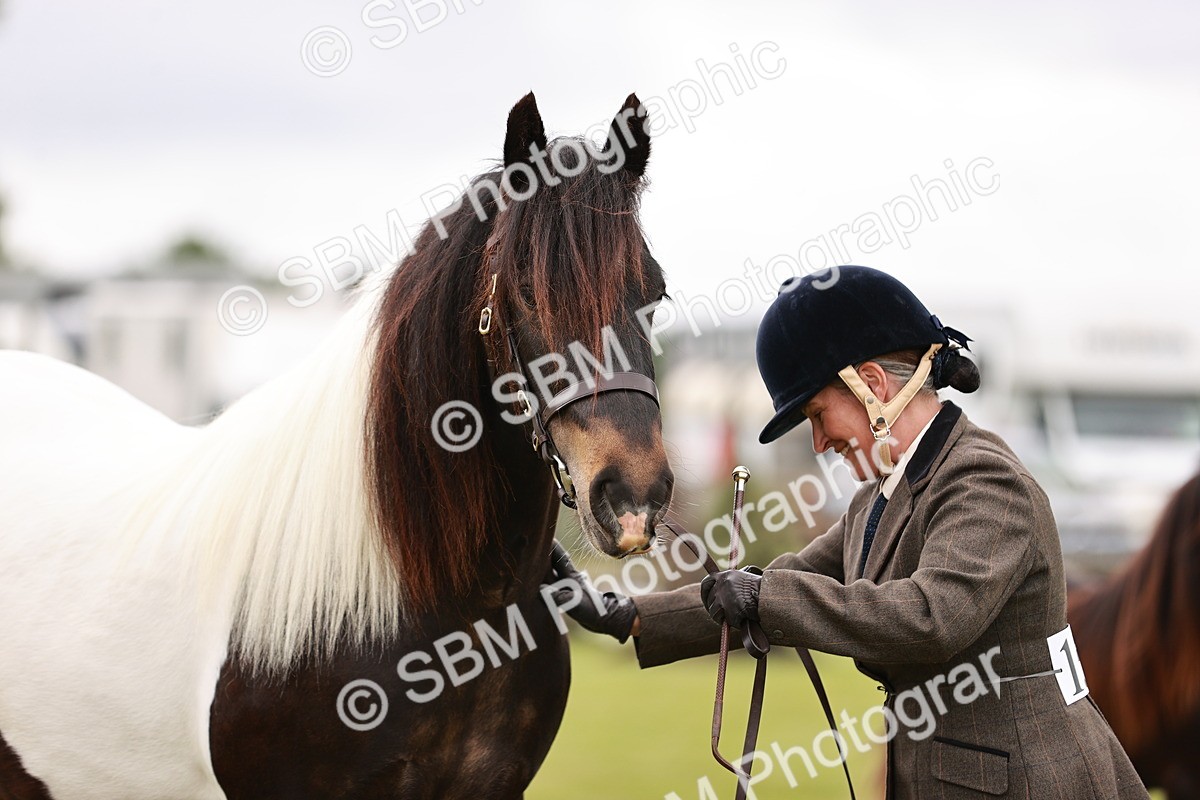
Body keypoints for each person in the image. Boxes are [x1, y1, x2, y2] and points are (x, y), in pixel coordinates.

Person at [548, 266, 1147, 798]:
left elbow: (931, 618)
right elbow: (783, 582)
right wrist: (624, 615)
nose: (819, 443)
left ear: (873, 385)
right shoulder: (880, 496)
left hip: (1033, 778)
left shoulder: (984, 480)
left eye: (816, 416)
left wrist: (765, 597)